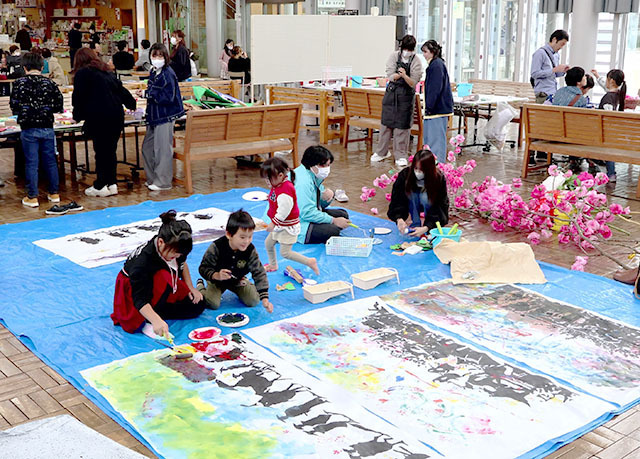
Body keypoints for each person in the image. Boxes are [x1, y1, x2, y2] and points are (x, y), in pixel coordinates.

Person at [111, 210, 205, 336]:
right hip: (138, 288)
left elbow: (182, 264)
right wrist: (156, 320)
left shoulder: (177, 247)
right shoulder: (142, 263)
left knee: (197, 305)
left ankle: (156, 310)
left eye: (179, 254)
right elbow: (139, 299)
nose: (176, 256)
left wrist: (190, 287)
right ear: (160, 242)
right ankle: (150, 315)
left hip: (163, 283)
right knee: (136, 324)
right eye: (174, 253)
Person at [72, 47, 136, 197]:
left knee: (101, 152)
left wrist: (77, 116)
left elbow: (78, 98)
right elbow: (121, 90)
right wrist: (131, 104)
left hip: (98, 116)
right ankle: (111, 183)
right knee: (110, 151)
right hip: (115, 115)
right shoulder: (106, 71)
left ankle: (100, 185)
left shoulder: (82, 74)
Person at [9, 52, 64, 210]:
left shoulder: (19, 83)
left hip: (28, 127)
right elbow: (58, 105)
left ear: (24, 67)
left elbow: (15, 105)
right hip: (47, 126)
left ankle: (32, 197)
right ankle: (54, 194)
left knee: (31, 163)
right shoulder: (49, 83)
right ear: (42, 66)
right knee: (51, 161)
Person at [197, 210, 273, 313]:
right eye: (242, 237)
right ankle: (200, 286)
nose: (246, 241)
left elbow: (259, 272)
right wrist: (216, 275)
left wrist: (265, 299)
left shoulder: (250, 250)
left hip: (237, 279)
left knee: (253, 301)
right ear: (229, 234)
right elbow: (203, 268)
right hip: (216, 280)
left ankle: (244, 283)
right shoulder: (217, 247)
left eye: (250, 237)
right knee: (213, 304)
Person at [370, 35, 422, 167]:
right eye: (405, 49)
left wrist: (404, 75)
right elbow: (390, 76)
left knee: (402, 127)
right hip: (391, 95)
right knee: (386, 125)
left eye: (409, 49)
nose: (407, 52)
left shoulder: (416, 60)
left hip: (406, 97)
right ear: (401, 47)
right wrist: (399, 75)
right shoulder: (393, 56)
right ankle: (381, 152)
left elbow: (413, 82)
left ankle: (400, 155)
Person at [261, 158, 320, 275]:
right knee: (268, 243)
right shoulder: (278, 184)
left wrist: (273, 223)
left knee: (285, 253)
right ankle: (273, 264)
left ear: (280, 175)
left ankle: (309, 261)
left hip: (286, 227)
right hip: (280, 225)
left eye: (268, 179)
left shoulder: (285, 191)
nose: (267, 183)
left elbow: (284, 211)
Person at [141, 43, 184, 191]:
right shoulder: (154, 71)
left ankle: (163, 181)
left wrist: (148, 94)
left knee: (162, 149)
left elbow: (168, 97)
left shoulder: (168, 74)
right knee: (147, 148)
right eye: (154, 55)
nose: (157, 58)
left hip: (165, 116)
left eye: (160, 55)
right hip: (153, 116)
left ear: (165, 57)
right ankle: (152, 178)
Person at [292, 145, 350, 244]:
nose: (327, 169)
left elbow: (318, 205)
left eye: (328, 165)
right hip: (294, 223)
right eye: (324, 166)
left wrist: (326, 197)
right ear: (313, 164)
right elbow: (306, 212)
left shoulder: (313, 174)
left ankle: (322, 223)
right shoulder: (303, 183)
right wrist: (333, 220)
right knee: (332, 231)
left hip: (304, 214)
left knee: (342, 214)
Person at [387, 148, 449, 237]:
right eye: (416, 168)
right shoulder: (405, 175)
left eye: (421, 170)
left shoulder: (438, 179)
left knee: (424, 197)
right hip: (412, 201)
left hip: (428, 202)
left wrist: (428, 227)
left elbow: (441, 206)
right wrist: (399, 219)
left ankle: (426, 228)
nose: (418, 172)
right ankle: (415, 225)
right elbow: (397, 199)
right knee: (413, 195)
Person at [421, 39, 453, 164]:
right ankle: (431, 164)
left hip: (437, 110)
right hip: (434, 110)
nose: (424, 55)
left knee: (436, 140)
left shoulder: (436, 65)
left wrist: (429, 106)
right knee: (430, 140)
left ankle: (437, 165)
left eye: (426, 52)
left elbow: (435, 88)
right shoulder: (435, 64)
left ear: (433, 52)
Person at [597, 69, 626, 182]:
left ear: (612, 81)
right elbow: (607, 88)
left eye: (607, 79)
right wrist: (597, 76)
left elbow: (606, 117)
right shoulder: (619, 94)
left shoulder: (608, 98)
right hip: (614, 133)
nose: (606, 82)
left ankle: (608, 170)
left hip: (604, 134)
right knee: (609, 144)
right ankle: (611, 173)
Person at [531, 30, 570, 105]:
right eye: (561, 44)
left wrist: (563, 71)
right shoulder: (540, 53)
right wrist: (554, 70)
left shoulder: (556, 55)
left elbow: (554, 74)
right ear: (554, 40)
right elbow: (534, 74)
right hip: (543, 93)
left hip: (554, 93)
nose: (561, 47)